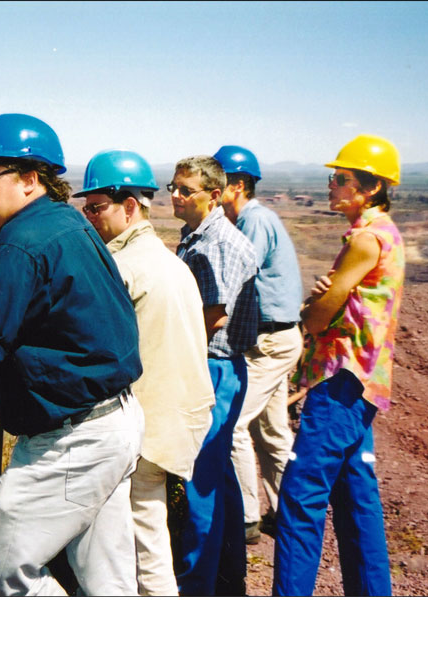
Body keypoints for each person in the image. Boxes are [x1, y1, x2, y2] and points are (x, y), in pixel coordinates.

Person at [0, 115, 142, 596]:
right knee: (108, 583)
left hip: (73, 441)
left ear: (31, 179)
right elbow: (57, 338)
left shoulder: (19, 245)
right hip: (114, 421)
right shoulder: (69, 222)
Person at [74, 149, 214, 596]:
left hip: (148, 427)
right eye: (86, 208)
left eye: (97, 207)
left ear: (130, 206)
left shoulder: (124, 266)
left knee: (140, 544)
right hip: (176, 418)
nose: (89, 217)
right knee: (144, 536)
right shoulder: (169, 261)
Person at [273, 134, 405, 596]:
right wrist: (330, 293)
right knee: (356, 496)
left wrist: (315, 305)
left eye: (341, 179)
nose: (331, 185)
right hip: (363, 382)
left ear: (369, 188)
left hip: (340, 381)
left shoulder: (365, 239)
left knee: (300, 496)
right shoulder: (383, 232)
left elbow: (318, 316)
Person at [168, 155, 260, 596]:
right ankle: (227, 574)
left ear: (215, 195)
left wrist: (167, 353)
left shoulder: (217, 244)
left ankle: (196, 586)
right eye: (173, 187)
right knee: (218, 474)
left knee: (200, 479)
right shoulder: (198, 236)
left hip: (212, 367)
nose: (175, 195)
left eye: (186, 190)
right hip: (214, 366)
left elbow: (213, 316)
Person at [213, 145, 305, 543]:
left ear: (237, 184)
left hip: (269, 341)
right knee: (271, 431)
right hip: (273, 337)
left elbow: (234, 280)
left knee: (233, 425)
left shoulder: (253, 221)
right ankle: (289, 514)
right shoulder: (251, 218)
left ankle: (246, 517)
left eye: (219, 184)